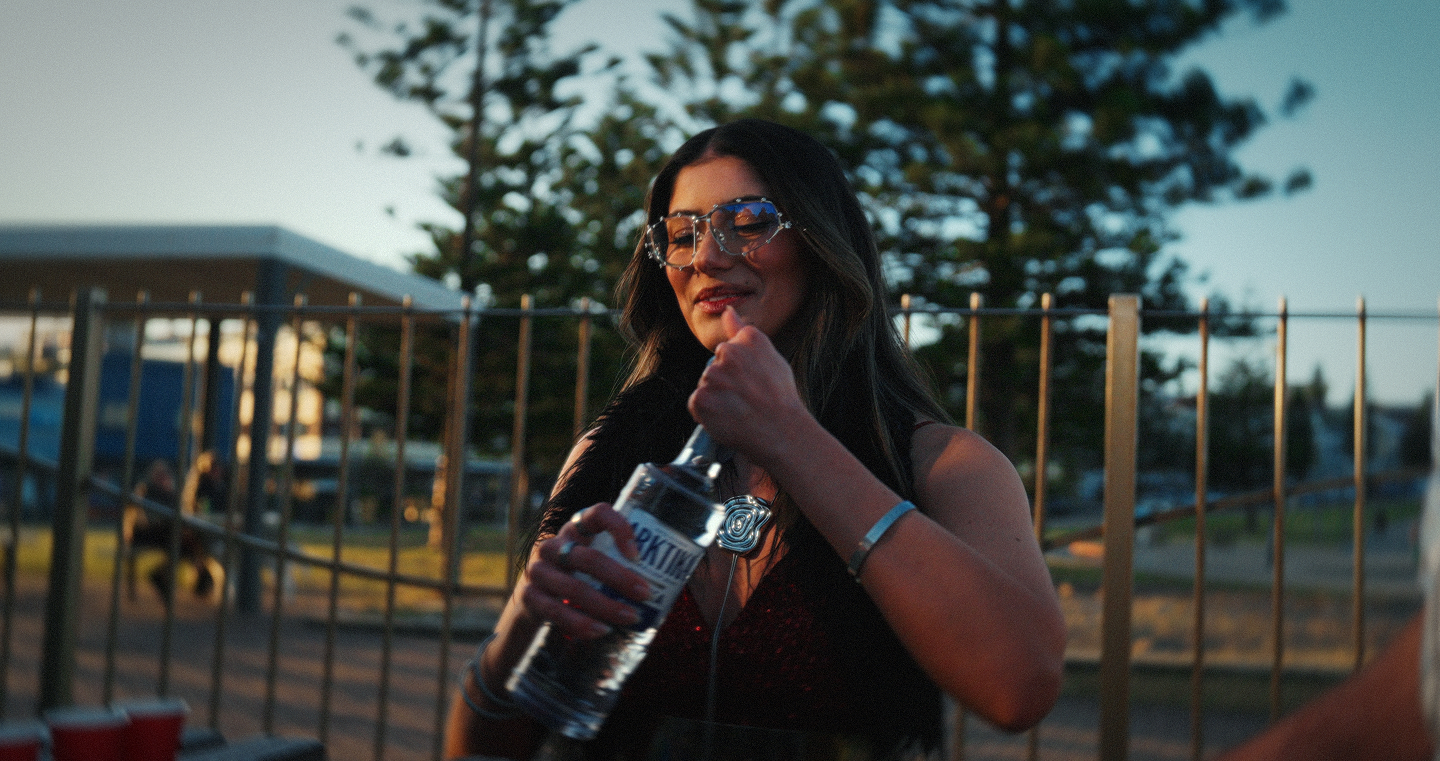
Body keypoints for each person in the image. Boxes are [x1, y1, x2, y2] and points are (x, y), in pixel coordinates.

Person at [444, 118, 1066, 760]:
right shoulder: (609, 459)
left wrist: (794, 441)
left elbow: (1020, 689)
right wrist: (526, 627)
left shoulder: (944, 465)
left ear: (821, 241)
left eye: (747, 222)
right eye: (682, 235)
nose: (707, 257)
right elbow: (482, 748)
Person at [125, 457, 217, 602]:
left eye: (165, 475)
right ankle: (199, 574)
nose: (164, 479)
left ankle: (163, 575)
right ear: (154, 476)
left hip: (163, 533)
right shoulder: (147, 490)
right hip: (145, 533)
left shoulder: (169, 494)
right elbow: (147, 519)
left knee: (185, 544)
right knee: (186, 542)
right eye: (160, 476)